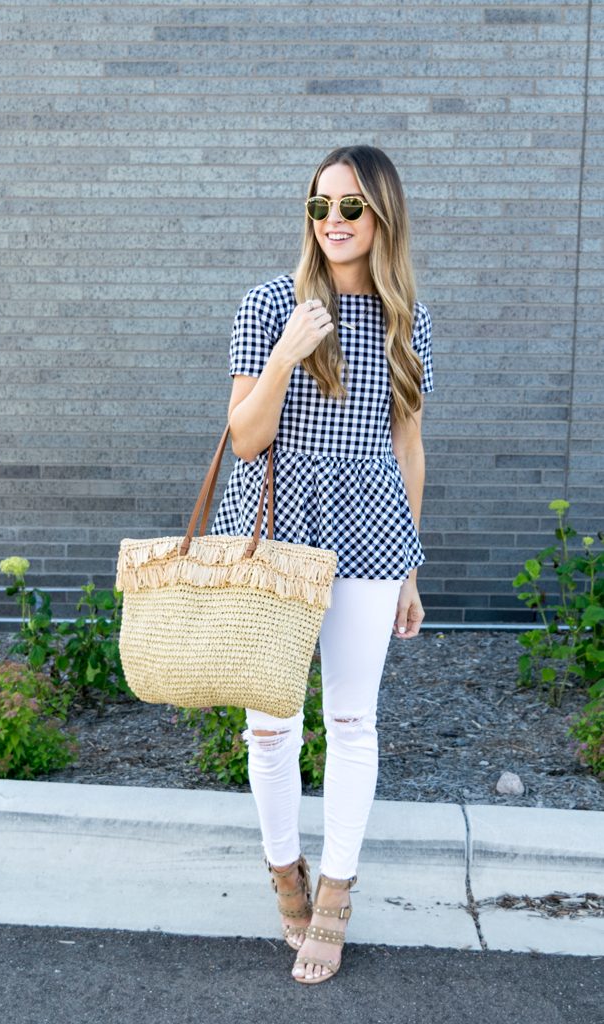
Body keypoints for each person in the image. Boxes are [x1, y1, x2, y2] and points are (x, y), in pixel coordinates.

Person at [210, 144, 434, 984]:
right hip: (276, 527)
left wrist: (410, 568)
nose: (332, 221)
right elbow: (243, 437)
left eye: (349, 207)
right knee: (268, 725)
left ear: (381, 215)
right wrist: (285, 351)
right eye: (319, 206)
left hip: (372, 534)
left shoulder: (403, 314)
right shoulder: (270, 303)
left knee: (351, 721)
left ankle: (334, 893)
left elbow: (407, 449)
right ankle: (285, 874)